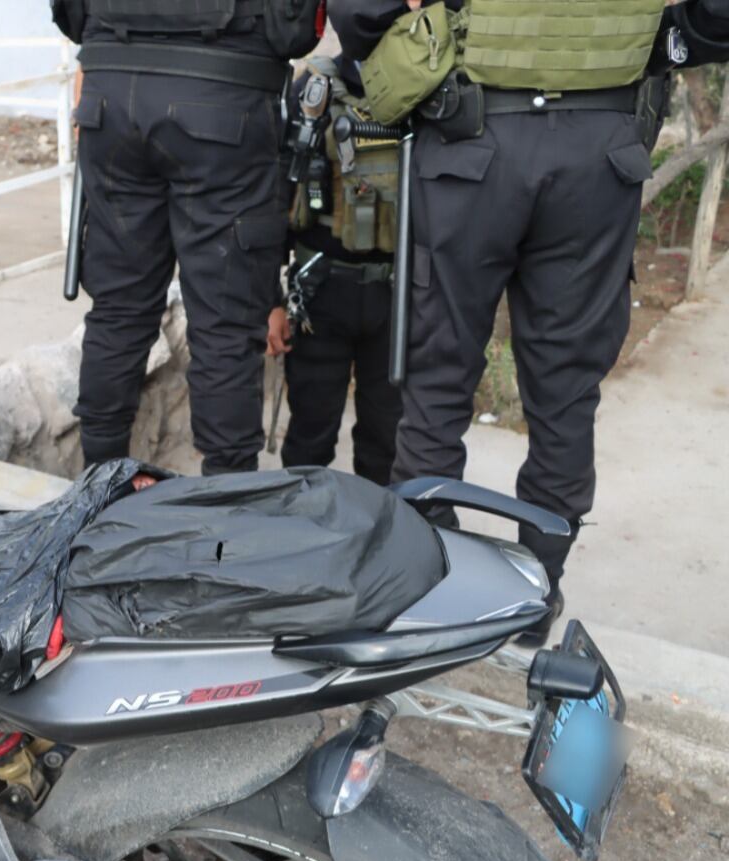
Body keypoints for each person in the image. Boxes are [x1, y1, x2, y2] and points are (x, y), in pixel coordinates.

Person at [328, 0, 729, 634]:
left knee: (436, 385)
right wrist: (658, 45)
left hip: (469, 145)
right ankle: (536, 601)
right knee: (567, 398)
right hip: (600, 152)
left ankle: (431, 598)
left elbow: (358, 16)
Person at [51, 0, 323, 475]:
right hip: (223, 100)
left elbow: (70, 15)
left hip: (112, 96)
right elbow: (295, 28)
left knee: (118, 310)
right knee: (224, 323)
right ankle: (224, 508)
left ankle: (98, 487)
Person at [267, 54, 403, 485]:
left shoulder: (423, 84)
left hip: (396, 295)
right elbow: (278, 193)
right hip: (319, 293)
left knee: (387, 440)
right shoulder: (313, 89)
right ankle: (306, 536)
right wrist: (269, 301)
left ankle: (382, 538)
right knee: (310, 437)